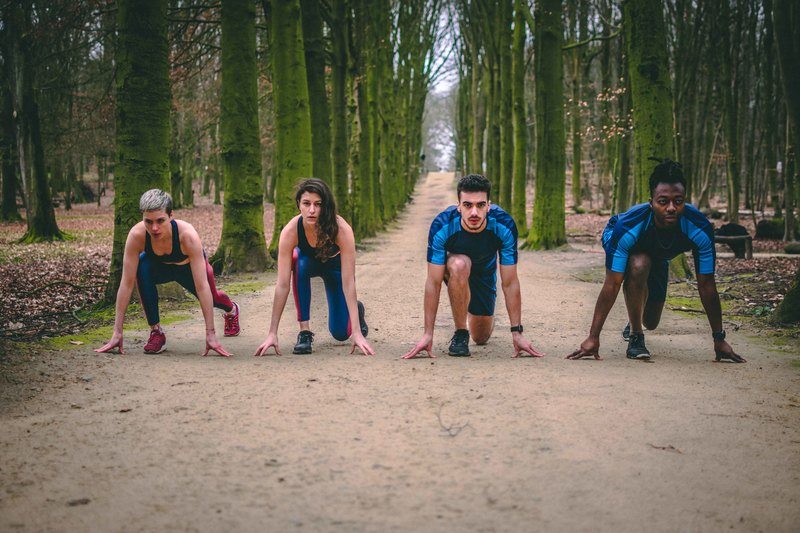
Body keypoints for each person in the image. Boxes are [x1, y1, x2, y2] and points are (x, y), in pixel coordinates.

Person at [567, 159, 745, 363]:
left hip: (660, 253)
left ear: (685, 201)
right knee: (639, 264)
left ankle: (635, 318)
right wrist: (593, 337)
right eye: (663, 201)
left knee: (650, 321)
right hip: (627, 243)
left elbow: (706, 284)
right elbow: (612, 283)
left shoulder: (699, 228)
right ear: (651, 202)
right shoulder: (627, 227)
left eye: (678, 201)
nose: (671, 207)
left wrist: (719, 339)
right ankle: (636, 337)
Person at [403, 173, 544, 359]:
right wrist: (428, 334)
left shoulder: (504, 225)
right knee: (460, 264)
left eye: (480, 205)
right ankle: (461, 333)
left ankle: (470, 304)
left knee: (481, 337)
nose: (474, 212)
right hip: (455, 269)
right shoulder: (442, 225)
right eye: (468, 205)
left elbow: (510, 283)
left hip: (485, 273)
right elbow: (433, 282)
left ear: (489, 205)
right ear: (458, 206)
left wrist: (517, 332)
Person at [96, 189, 237, 356]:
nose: (154, 228)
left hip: (188, 269)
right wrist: (117, 333)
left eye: (160, 220)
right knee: (141, 267)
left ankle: (232, 309)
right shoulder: (136, 236)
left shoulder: (187, 236)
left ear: (171, 216)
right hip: (158, 268)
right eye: (148, 221)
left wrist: (210, 334)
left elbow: (202, 286)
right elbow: (126, 284)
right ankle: (156, 332)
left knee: (212, 298)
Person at [254, 178, 374, 356]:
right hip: (307, 265)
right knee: (299, 261)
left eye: (318, 204)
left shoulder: (341, 229)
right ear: (298, 204)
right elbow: (282, 284)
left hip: (335, 268)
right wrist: (272, 333)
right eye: (306, 203)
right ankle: (304, 332)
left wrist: (356, 333)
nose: (312, 210)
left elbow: (349, 282)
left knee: (341, 333)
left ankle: (356, 310)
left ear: (325, 206)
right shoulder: (291, 231)